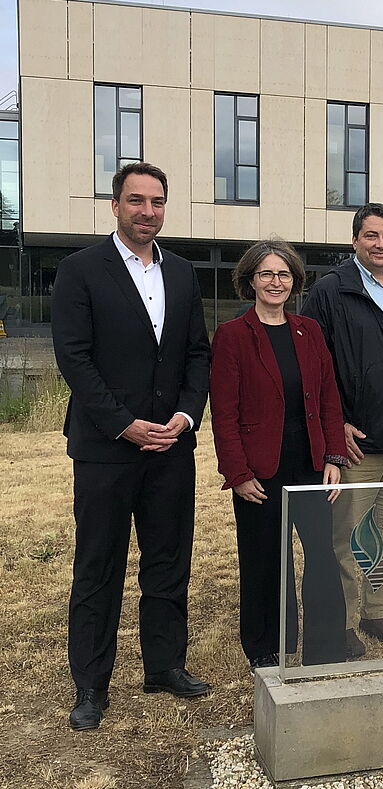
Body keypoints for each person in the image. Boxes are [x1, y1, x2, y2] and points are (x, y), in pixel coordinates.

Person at [51, 162, 211, 731]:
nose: (148, 211)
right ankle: (91, 686)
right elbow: (74, 358)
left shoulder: (186, 273)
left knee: (168, 562)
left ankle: (164, 667)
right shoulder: (79, 270)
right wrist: (124, 424)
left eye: (158, 201)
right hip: (106, 449)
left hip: (171, 446)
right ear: (115, 205)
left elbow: (197, 353)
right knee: (99, 567)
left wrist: (186, 415)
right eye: (137, 200)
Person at [210, 238, 349, 669]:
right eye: (267, 274)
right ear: (250, 280)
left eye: (284, 274)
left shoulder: (310, 332)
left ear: (295, 281)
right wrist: (237, 473)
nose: (276, 282)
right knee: (265, 560)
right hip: (259, 470)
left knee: (323, 558)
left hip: (310, 465)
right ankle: (266, 648)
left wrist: (334, 457)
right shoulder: (232, 336)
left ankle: (326, 648)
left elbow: (329, 399)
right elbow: (224, 413)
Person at [301, 203, 383, 656]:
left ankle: (378, 613)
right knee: (345, 537)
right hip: (355, 444)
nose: (382, 244)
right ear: (354, 240)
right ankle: (340, 623)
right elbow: (313, 365)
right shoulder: (331, 291)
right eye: (372, 236)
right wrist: (335, 425)